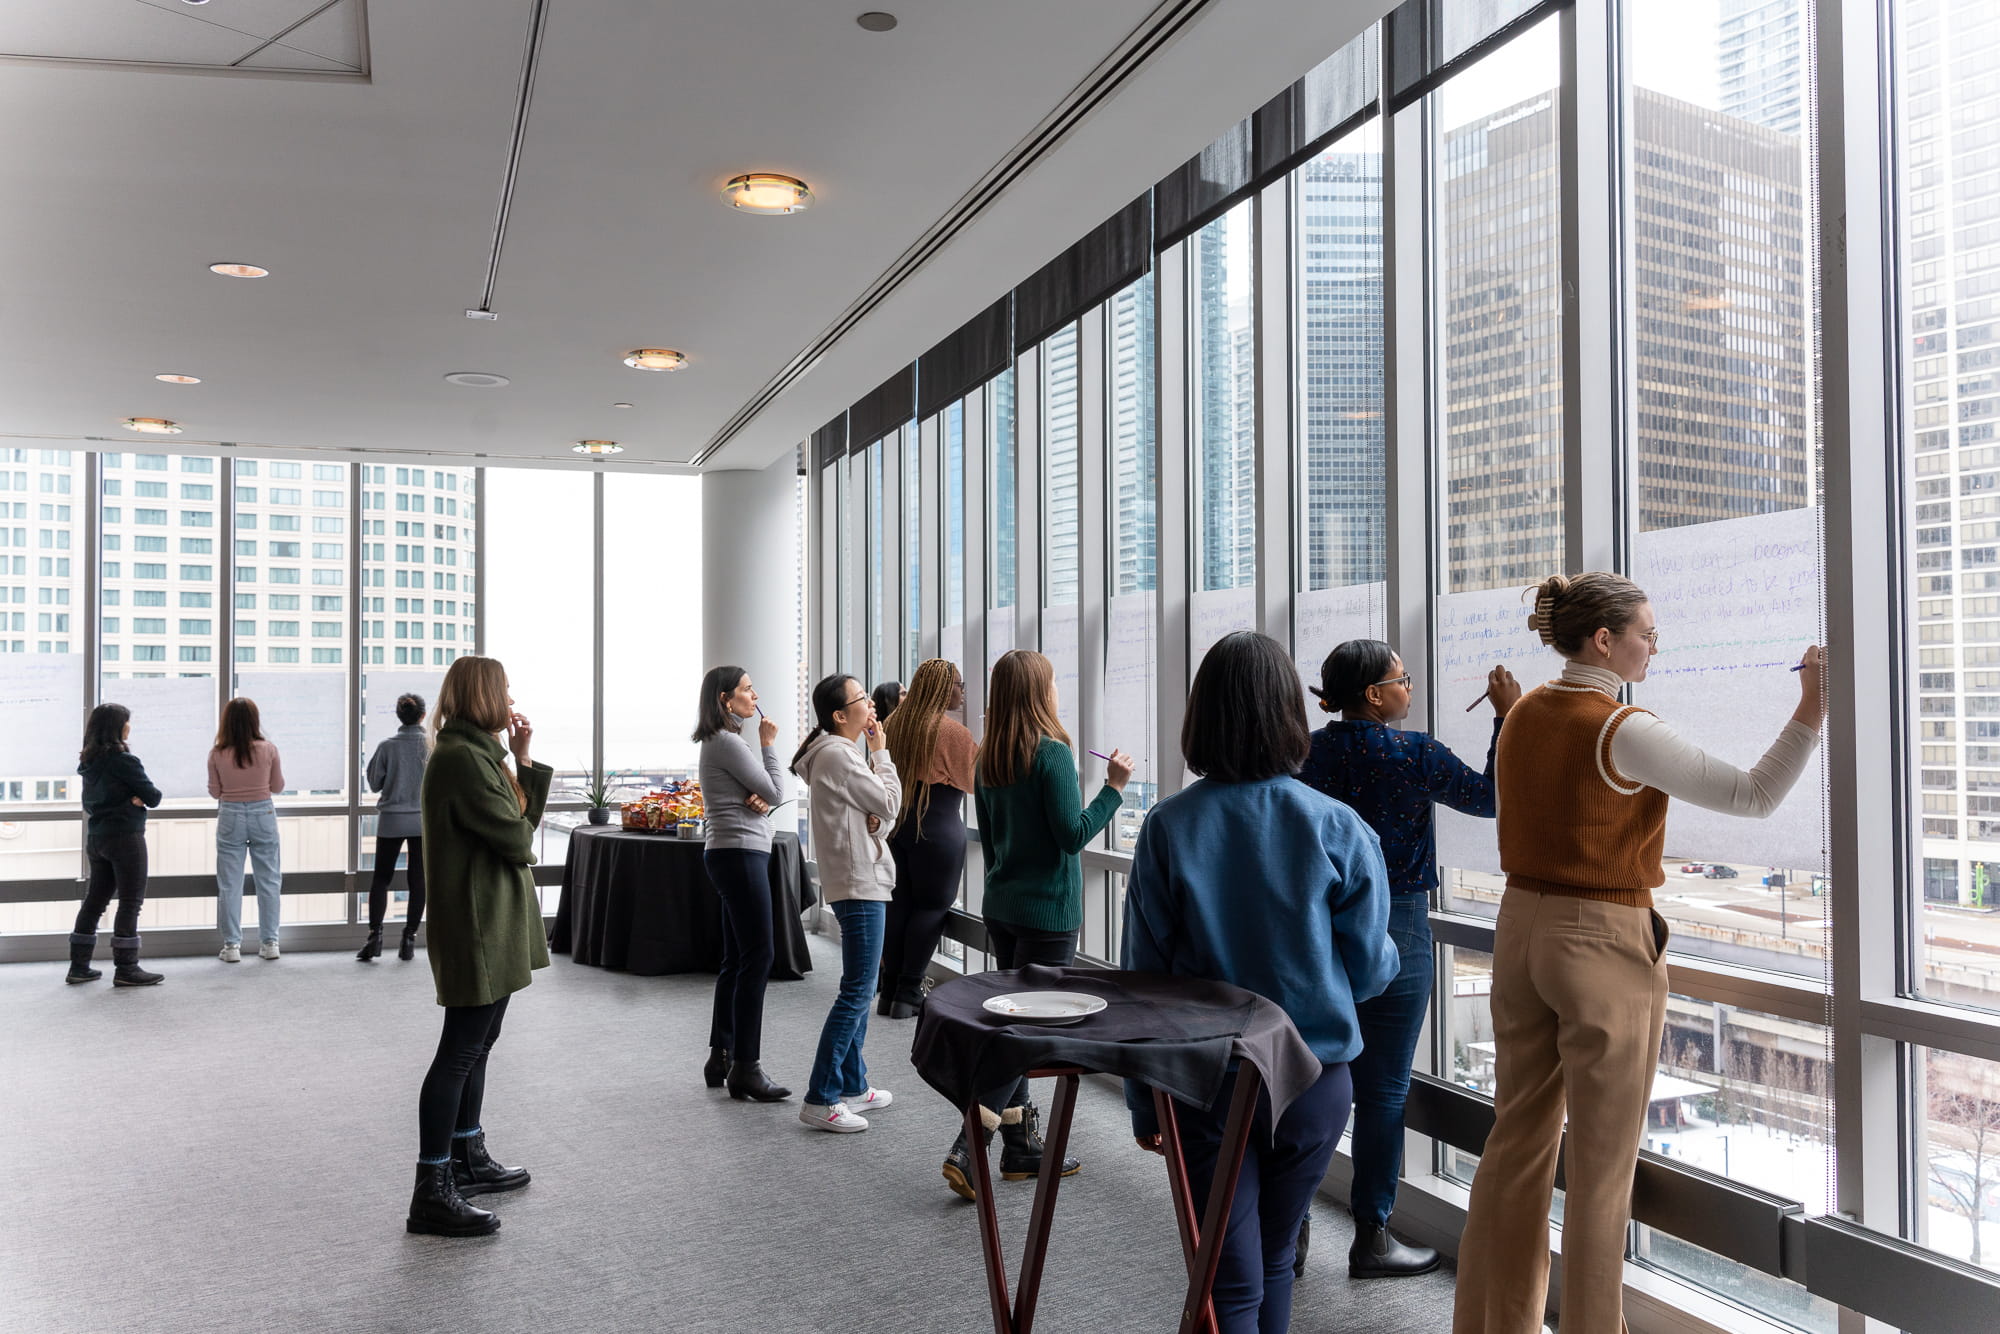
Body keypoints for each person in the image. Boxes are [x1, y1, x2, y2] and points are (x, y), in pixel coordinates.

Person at [1453, 573, 1825, 1334]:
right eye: (1647, 634)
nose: (1655, 645)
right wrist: (1812, 707)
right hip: (1601, 938)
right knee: (1600, 1171)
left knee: (1514, 1146)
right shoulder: (1622, 727)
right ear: (1604, 641)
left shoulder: (1521, 713)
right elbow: (1753, 796)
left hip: (1519, 925)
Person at [1123, 631, 1399, 1334]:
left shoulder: (1168, 827)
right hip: (1314, 1078)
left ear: (1202, 716)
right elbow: (1369, 973)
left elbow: (1143, 983)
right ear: (1289, 714)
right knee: (1275, 1257)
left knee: (1228, 1277)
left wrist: (1143, 1104)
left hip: (1205, 1078)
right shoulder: (1338, 827)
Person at [1295, 641, 1519, 1278]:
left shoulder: (1304, 752)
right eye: (1403, 679)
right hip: (1397, 925)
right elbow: (1489, 798)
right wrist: (1506, 718)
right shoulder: (1412, 752)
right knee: (1384, 1089)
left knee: (1304, 1074)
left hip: (1319, 927)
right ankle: (1372, 1237)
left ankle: (1293, 1230)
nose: (1409, 688)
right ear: (1373, 695)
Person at [940, 648, 1133, 1199]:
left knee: (1015, 1024)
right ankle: (967, 1146)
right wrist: (1115, 788)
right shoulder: (1051, 756)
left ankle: (1023, 1149)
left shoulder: (988, 761)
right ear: (1040, 694)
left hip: (1002, 906)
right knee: (1024, 1036)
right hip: (1048, 914)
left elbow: (998, 842)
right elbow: (1072, 835)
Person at [406, 654, 552, 1237]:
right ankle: (431, 1188)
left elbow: (523, 822)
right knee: (459, 1052)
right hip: (477, 925)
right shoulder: (462, 759)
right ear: (483, 695)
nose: (512, 699)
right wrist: (514, 771)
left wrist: (521, 760)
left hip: (491, 921)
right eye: (506, 690)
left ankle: (466, 1156)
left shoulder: (479, 753)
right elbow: (519, 839)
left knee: (479, 1044)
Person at [792, 673, 901, 1132]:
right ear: (840, 715)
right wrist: (881, 751)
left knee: (862, 986)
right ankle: (821, 1097)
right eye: (862, 700)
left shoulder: (836, 755)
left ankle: (853, 1083)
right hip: (860, 883)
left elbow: (877, 820)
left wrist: (876, 821)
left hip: (858, 878)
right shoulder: (840, 755)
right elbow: (891, 803)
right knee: (857, 990)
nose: (871, 707)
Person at [694, 664, 790, 1101]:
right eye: (747, 690)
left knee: (737, 958)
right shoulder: (730, 742)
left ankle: (722, 1056)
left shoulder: (721, 743)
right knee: (759, 955)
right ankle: (746, 1068)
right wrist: (769, 746)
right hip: (739, 854)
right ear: (724, 699)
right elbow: (775, 790)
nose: (755, 696)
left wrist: (760, 799)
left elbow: (761, 798)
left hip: (729, 851)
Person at [878, 658, 977, 1019]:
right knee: (932, 908)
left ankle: (889, 990)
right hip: (937, 827)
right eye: (958, 685)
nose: (962, 692)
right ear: (941, 688)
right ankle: (909, 992)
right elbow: (975, 780)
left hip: (895, 827)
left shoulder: (893, 724)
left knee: (899, 905)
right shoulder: (952, 733)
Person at [72, 703, 164, 987]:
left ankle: (78, 966)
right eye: (126, 722)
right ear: (117, 728)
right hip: (125, 837)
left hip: (97, 839)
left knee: (95, 901)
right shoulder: (124, 760)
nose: (129, 727)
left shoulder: (89, 762)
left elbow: (94, 801)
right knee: (130, 901)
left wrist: (133, 797)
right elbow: (154, 795)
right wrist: (137, 798)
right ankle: (127, 968)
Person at [209, 697, 284, 963]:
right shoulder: (269, 749)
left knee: (230, 884)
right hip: (263, 812)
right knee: (269, 881)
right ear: (255, 720)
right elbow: (277, 787)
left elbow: (215, 791)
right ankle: (270, 943)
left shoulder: (217, 753)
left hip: (230, 814)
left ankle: (231, 947)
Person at [359, 693, 432, 962]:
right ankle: (409, 938)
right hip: (423, 821)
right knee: (418, 880)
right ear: (423, 716)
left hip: (391, 819)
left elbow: (375, 783)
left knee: (381, 878)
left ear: (399, 716)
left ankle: (374, 937)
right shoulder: (432, 746)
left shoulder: (387, 746)